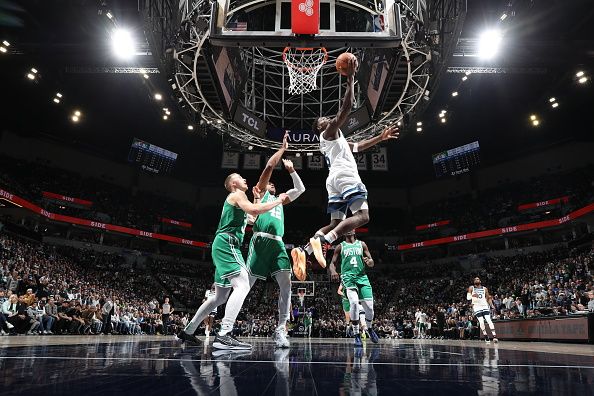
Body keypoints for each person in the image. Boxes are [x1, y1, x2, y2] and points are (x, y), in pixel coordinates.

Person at [291, 56, 399, 273]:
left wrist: (380, 137)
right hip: (345, 176)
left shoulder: (335, 141)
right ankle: (326, 241)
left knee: (334, 223)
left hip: (334, 180)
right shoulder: (329, 133)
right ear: (321, 128)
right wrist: (350, 78)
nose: (328, 119)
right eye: (323, 120)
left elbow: (357, 146)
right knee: (363, 216)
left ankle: (304, 251)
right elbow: (346, 107)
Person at [178, 170, 288, 350]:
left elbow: (253, 218)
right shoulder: (237, 194)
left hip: (223, 245)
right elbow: (253, 210)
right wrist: (278, 201)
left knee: (219, 297)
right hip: (227, 243)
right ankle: (224, 334)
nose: (245, 179)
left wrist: (258, 199)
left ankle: (188, 331)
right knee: (243, 285)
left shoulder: (240, 199)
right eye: (240, 178)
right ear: (233, 184)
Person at [247, 137, 306, 348]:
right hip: (260, 241)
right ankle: (226, 327)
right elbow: (269, 167)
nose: (271, 184)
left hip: (279, 244)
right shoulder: (261, 194)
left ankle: (281, 329)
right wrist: (281, 149)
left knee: (287, 284)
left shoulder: (281, 198)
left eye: (273, 184)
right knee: (246, 286)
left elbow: (300, 190)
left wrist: (292, 171)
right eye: (269, 183)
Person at [328, 230, 379, 347]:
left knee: (369, 307)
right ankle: (356, 334)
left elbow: (371, 262)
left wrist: (369, 262)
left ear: (354, 230)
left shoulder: (362, 244)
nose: (349, 229)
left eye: (351, 227)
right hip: (348, 277)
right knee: (354, 303)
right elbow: (332, 263)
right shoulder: (340, 246)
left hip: (362, 277)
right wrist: (333, 271)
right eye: (347, 227)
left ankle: (370, 329)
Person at [467, 277, 498, 343]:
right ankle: (485, 336)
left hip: (484, 305)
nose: (477, 280)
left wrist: (491, 305)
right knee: (481, 321)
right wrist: (473, 295)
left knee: (489, 320)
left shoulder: (485, 288)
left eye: (478, 279)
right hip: (476, 306)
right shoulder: (471, 288)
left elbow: (488, 298)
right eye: (475, 279)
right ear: (474, 281)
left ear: (480, 281)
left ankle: (494, 336)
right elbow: (468, 298)